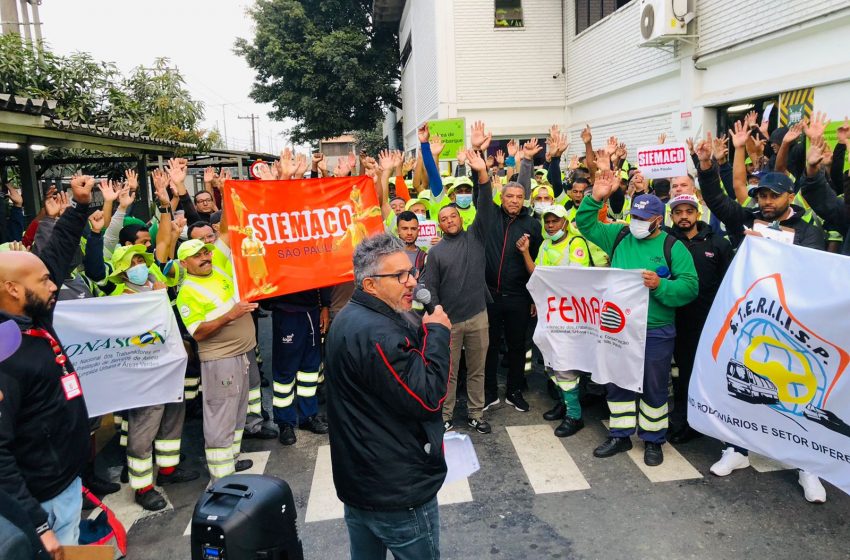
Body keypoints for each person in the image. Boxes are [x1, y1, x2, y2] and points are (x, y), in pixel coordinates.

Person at [696, 135, 829, 503]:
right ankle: (735, 451)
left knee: (796, 396)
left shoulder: (809, 231)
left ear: (789, 197)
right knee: (742, 386)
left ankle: (809, 468)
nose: (765, 202)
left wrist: (773, 243)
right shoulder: (748, 218)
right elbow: (718, 201)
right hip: (750, 322)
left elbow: (811, 273)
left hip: (793, 328)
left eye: (773, 196)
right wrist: (707, 167)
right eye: (761, 196)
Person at [325, 233, 451, 560]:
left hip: (362, 482)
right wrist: (437, 333)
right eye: (399, 276)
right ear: (370, 285)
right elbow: (428, 397)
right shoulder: (378, 333)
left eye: (411, 272)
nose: (412, 282)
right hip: (395, 491)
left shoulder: (351, 318)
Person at [0, 175, 95, 556]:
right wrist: (36, 524)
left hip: (64, 486)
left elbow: (52, 259)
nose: (54, 284)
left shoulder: (33, 313)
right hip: (39, 507)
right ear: (12, 290)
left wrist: (79, 207)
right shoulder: (5, 351)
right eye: (44, 281)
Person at [577, 171, 698, 466]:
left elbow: (690, 286)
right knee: (618, 381)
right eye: (634, 217)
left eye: (643, 220)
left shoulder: (673, 247)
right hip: (620, 328)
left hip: (655, 330)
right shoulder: (619, 235)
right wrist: (596, 196)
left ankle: (653, 439)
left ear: (658, 221)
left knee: (654, 385)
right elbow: (585, 224)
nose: (636, 224)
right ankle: (619, 435)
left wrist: (661, 286)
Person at [467, 140, 543, 412]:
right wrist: (480, 164)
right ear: (502, 198)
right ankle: (489, 393)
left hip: (518, 297)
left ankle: (514, 390)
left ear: (524, 200)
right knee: (487, 347)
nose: (513, 201)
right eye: (509, 196)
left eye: (519, 197)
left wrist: (534, 297)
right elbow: (482, 194)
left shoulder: (532, 224)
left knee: (516, 348)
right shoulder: (489, 216)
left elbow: (537, 264)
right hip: (488, 295)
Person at [176, 239, 257, 482]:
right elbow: (198, 332)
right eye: (197, 255)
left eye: (205, 252)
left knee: (237, 412)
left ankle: (230, 461)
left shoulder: (218, 268)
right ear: (184, 263)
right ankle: (220, 480)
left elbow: (224, 229)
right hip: (221, 361)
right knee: (220, 416)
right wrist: (230, 316)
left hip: (240, 355)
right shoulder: (186, 292)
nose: (205, 257)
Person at [516, 204, 591, 437]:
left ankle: (574, 415)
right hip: (549, 311)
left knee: (565, 366)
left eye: (555, 221)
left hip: (570, 314)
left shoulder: (576, 244)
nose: (550, 226)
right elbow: (536, 273)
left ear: (565, 223)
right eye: (547, 222)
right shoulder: (546, 244)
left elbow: (576, 280)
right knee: (549, 362)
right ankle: (565, 403)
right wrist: (526, 252)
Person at [664, 194, 733, 443]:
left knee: (693, 373)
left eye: (689, 211)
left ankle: (692, 422)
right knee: (672, 374)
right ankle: (677, 418)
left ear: (698, 213)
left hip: (703, 323)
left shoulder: (718, 244)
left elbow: (729, 283)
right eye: (678, 212)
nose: (684, 216)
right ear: (671, 216)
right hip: (669, 318)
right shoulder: (666, 241)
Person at [421, 204, 491, 434]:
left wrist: (482, 175)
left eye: (453, 216)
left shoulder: (476, 237)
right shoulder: (436, 253)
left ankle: (476, 414)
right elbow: (430, 289)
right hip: (449, 323)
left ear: (461, 218)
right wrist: (438, 318)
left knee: (476, 369)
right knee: (449, 372)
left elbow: (486, 205)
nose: (450, 220)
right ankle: (445, 415)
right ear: (439, 225)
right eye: (444, 218)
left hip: (478, 317)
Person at [263, 287, 330, 446]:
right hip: (286, 312)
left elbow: (323, 274)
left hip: (312, 310)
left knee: (310, 369)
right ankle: (285, 423)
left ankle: (308, 416)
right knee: (285, 371)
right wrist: (271, 302)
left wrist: (325, 306)